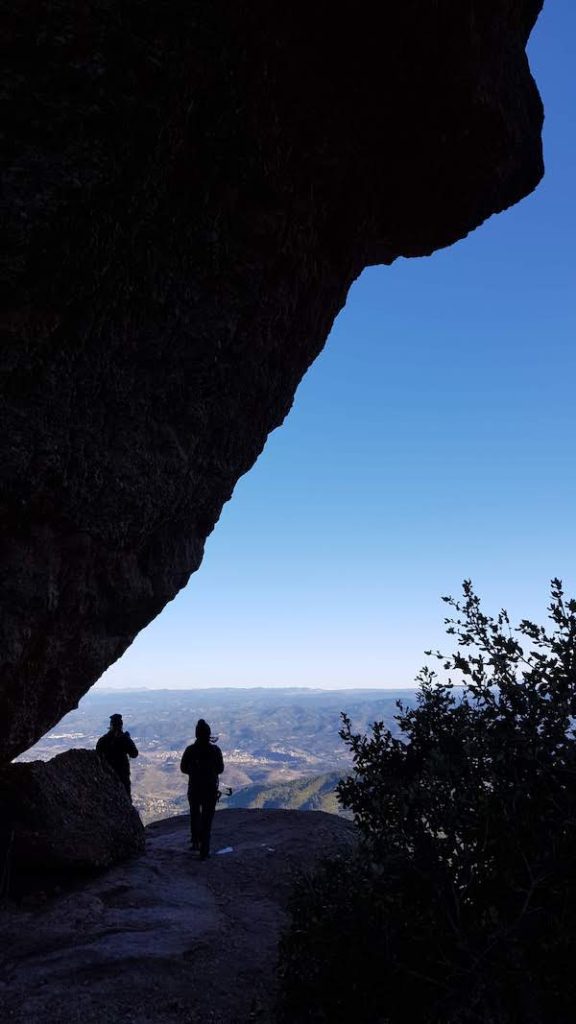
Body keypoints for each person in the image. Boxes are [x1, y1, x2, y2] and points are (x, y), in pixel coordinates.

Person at [180, 719, 224, 860]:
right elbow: (220, 769)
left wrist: (194, 772)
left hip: (194, 788)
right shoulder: (215, 750)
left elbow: (183, 768)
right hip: (210, 788)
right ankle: (205, 849)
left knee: (195, 815)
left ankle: (195, 843)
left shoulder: (190, 750)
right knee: (207, 818)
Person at [96, 713, 139, 800]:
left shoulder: (103, 740)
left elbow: (97, 756)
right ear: (121, 725)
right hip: (122, 775)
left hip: (106, 775)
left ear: (111, 725)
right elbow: (134, 754)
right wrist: (127, 740)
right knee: (125, 798)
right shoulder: (124, 739)